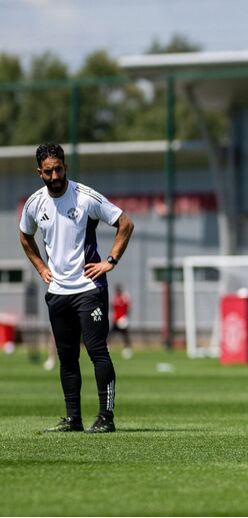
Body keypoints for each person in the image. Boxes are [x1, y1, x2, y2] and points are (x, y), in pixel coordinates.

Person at [19, 143, 135, 433]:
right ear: (39, 173)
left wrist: (110, 261)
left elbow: (125, 223)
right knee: (66, 356)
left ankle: (106, 418)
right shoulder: (34, 204)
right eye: (48, 171)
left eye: (59, 168)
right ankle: (74, 420)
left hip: (89, 288)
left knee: (97, 351)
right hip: (57, 292)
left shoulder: (85, 197)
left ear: (65, 167)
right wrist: (41, 268)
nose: (55, 175)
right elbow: (24, 236)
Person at [111, 284, 133, 359]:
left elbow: (128, 308)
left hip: (122, 320)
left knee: (125, 335)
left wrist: (125, 317)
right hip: (116, 320)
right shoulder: (115, 298)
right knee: (111, 334)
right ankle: (106, 347)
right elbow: (113, 308)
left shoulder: (124, 298)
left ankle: (127, 349)